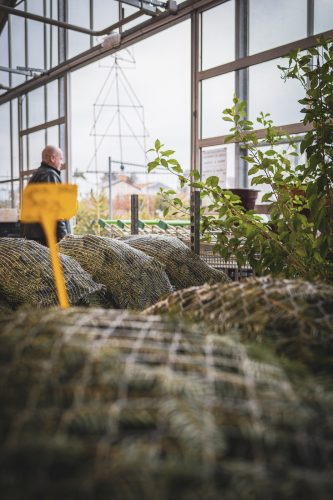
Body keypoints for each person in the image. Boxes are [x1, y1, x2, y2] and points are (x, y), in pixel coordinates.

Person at [21, 145, 70, 246]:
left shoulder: (37, 175)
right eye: (60, 159)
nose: (62, 162)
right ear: (52, 158)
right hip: (46, 238)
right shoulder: (49, 175)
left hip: (36, 236)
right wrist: (65, 239)